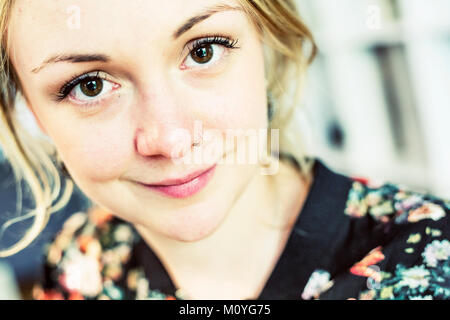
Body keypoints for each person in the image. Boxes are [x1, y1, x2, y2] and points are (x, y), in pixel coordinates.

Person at [0, 0, 448, 300]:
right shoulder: (78, 261)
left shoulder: (431, 262)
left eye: (203, 51)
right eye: (89, 85)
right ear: (33, 115)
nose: (172, 140)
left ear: (265, 41)